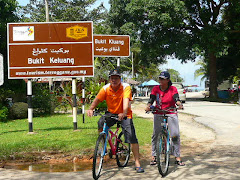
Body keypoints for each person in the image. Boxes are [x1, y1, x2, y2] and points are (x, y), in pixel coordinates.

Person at [87, 69, 144, 173]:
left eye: (116, 78)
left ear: (120, 79)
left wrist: (124, 112)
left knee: (132, 137)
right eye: (112, 78)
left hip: (125, 113)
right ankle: (103, 145)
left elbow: (126, 101)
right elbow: (97, 100)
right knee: (100, 122)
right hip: (111, 113)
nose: (114, 80)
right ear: (109, 79)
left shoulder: (125, 87)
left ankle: (137, 162)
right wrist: (91, 108)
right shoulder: (105, 88)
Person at [145, 71, 185, 166]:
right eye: (160, 79)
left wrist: (179, 105)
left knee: (175, 134)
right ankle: (154, 156)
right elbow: (151, 99)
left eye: (163, 79)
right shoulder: (155, 89)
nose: (161, 81)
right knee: (156, 134)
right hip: (158, 112)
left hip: (171, 112)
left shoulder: (172, 89)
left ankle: (177, 156)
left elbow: (176, 99)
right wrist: (148, 106)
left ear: (168, 80)